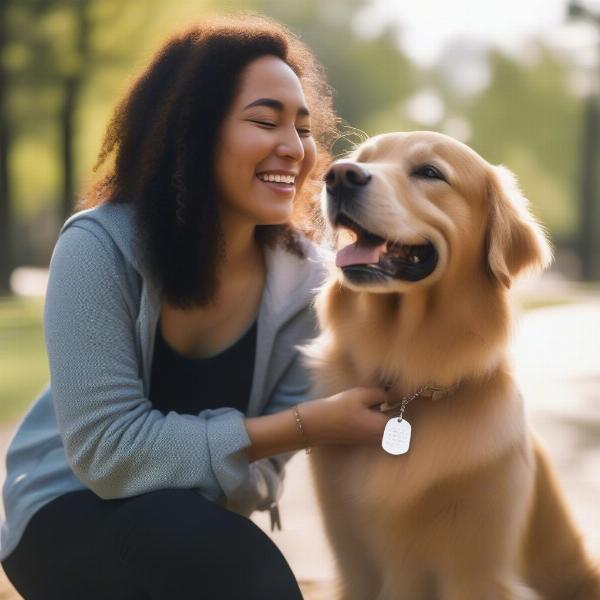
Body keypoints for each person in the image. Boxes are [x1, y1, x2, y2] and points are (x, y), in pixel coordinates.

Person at [0, 15, 392, 600]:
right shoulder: (99, 247)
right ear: (191, 131)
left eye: (303, 128)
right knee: (244, 570)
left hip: (201, 526)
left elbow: (258, 483)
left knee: (215, 551)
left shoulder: (309, 279)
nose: (294, 147)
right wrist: (306, 426)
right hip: (63, 511)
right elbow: (106, 456)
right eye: (265, 120)